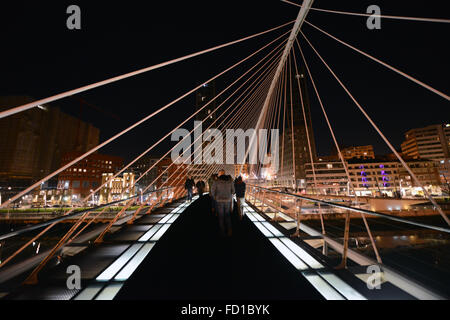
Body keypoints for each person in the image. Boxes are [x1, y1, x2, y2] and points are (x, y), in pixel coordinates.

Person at [212, 170, 235, 237]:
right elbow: (233, 191)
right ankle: (229, 230)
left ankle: (222, 232)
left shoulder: (216, 182)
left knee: (221, 217)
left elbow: (212, 191)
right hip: (227, 200)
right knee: (227, 215)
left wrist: (215, 198)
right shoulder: (230, 181)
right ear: (224, 174)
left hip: (219, 201)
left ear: (219, 174)